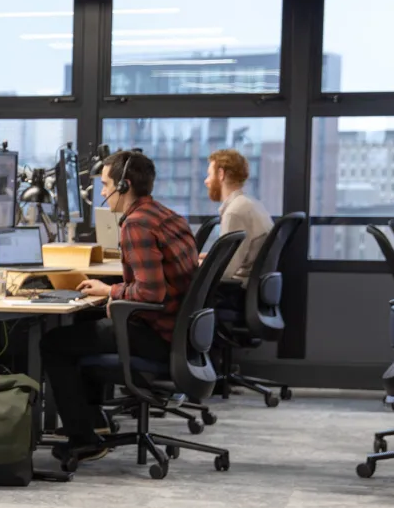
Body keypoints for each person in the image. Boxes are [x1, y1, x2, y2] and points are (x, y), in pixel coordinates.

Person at [41, 151, 199, 465]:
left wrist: (110, 290)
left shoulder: (136, 225)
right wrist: (111, 294)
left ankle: (84, 440)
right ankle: (94, 420)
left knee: (55, 344)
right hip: (179, 332)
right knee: (88, 324)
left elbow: (151, 292)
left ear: (123, 186)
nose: (101, 192)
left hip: (156, 334)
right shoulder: (168, 216)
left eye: (105, 184)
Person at [206, 148, 272, 311]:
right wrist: (208, 258)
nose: (206, 181)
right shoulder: (251, 204)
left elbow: (225, 271)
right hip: (253, 290)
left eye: (209, 174)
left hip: (236, 293)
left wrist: (198, 268)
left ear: (220, 174)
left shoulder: (235, 211)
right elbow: (241, 254)